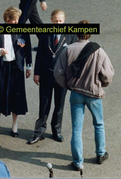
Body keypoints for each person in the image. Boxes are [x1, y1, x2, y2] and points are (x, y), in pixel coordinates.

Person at [54, 20, 114, 171]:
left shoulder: (68, 50)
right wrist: (102, 84)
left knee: (76, 129)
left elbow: (58, 72)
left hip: (76, 93)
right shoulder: (98, 50)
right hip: (93, 93)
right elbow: (107, 74)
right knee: (98, 124)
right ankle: (100, 153)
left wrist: (68, 85)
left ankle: (78, 162)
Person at [27, 9, 77, 145]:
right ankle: (39, 132)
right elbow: (40, 55)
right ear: (51, 20)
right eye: (55, 21)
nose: (58, 23)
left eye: (60, 21)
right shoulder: (45, 34)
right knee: (44, 105)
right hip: (46, 75)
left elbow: (73, 57)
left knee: (59, 105)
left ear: (64, 20)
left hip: (62, 77)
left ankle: (56, 131)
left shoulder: (71, 35)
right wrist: (36, 73)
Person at [0, 7, 32, 138]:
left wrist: (29, 67)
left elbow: (27, 49)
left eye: (18, 19)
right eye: (14, 20)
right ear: (7, 19)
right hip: (2, 67)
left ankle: (14, 125)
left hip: (16, 67)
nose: (16, 22)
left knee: (16, 95)